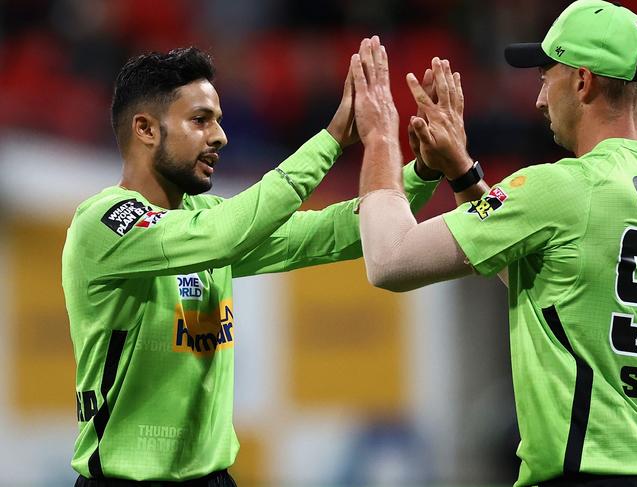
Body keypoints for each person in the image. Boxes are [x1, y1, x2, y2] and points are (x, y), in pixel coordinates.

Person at [61, 47, 441, 486]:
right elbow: (223, 235)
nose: (220, 136)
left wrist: (422, 173)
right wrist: (332, 140)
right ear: (146, 129)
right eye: (200, 120)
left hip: (215, 479)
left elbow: (332, 233)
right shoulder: (106, 223)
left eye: (217, 120)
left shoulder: (203, 220)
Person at [351, 0, 637, 485]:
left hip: (585, 472)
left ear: (582, 81)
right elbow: (556, 283)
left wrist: (381, 136)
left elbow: (390, 260)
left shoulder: (560, 187)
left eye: (544, 75)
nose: (537, 99)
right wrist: (465, 175)